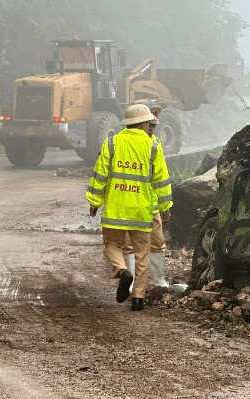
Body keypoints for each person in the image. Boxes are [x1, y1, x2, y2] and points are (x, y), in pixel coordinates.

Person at [86, 104, 173, 311]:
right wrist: (165, 207)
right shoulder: (153, 146)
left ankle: (122, 270)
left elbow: (100, 176)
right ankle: (138, 299)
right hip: (141, 211)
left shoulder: (112, 143)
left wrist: (94, 202)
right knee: (142, 254)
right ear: (143, 123)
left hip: (115, 210)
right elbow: (161, 180)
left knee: (112, 246)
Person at [122, 105, 171, 289]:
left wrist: (164, 206)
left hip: (148, 204)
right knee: (128, 244)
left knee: (157, 242)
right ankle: (131, 282)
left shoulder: (154, 144)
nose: (152, 128)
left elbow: (160, 180)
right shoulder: (124, 143)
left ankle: (158, 279)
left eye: (154, 125)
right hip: (130, 203)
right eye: (150, 124)